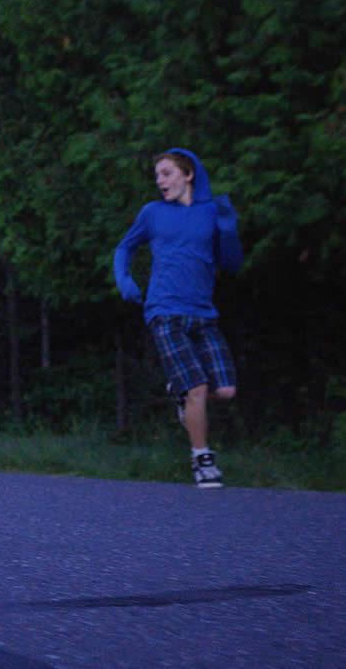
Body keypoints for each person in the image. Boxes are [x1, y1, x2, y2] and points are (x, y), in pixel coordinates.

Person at [113, 148, 243, 488]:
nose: (160, 181)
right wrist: (125, 280)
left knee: (225, 390)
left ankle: (182, 394)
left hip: (202, 314)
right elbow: (124, 248)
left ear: (188, 174)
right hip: (164, 310)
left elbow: (230, 264)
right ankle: (202, 460)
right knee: (198, 387)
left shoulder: (211, 212)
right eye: (157, 176)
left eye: (166, 173)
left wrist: (228, 230)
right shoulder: (153, 213)